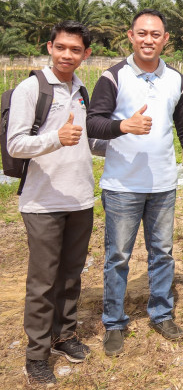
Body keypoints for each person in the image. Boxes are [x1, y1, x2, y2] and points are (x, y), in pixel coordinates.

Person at [86, 9, 183, 356]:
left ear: (165, 39)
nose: (148, 40)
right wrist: (122, 126)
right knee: (118, 256)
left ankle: (161, 312)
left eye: (155, 34)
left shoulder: (176, 80)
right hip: (122, 185)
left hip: (162, 184)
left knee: (162, 253)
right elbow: (92, 123)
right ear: (130, 35)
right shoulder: (114, 78)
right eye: (142, 33)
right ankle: (113, 321)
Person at [8, 21, 104, 385]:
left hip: (79, 197)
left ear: (86, 54)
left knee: (71, 274)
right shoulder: (31, 88)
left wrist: (125, 137)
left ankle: (64, 336)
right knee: (43, 281)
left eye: (75, 49)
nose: (67, 54)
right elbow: (15, 144)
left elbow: (88, 142)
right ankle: (36, 355)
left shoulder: (81, 88)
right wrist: (55, 138)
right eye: (61, 47)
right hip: (42, 202)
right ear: (49, 47)